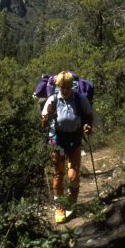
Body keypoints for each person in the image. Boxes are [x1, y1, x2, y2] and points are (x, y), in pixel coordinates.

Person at [41, 70, 93, 223]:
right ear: (58, 86)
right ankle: (59, 207)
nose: (64, 90)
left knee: (73, 175)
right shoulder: (52, 100)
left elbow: (88, 117)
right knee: (58, 175)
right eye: (62, 87)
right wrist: (47, 115)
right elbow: (43, 125)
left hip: (74, 138)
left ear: (72, 86)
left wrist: (88, 127)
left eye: (67, 87)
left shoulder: (80, 98)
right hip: (57, 139)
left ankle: (71, 200)